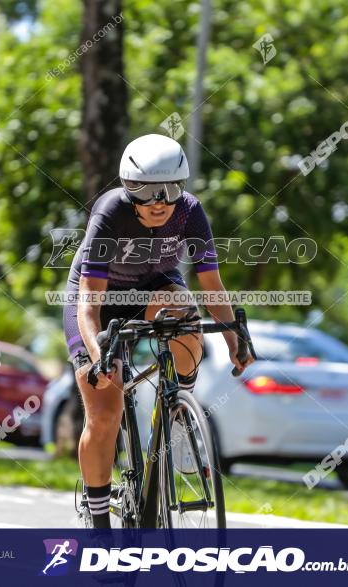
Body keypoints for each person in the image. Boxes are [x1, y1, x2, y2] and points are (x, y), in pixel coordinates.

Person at [62, 134, 254, 528]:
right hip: (101, 298)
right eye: (146, 190)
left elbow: (212, 287)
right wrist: (100, 359)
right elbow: (89, 305)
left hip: (154, 286)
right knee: (104, 412)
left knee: (183, 312)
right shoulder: (110, 213)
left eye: (170, 189)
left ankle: (175, 397)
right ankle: (101, 528)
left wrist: (234, 339)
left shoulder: (190, 213)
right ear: (127, 187)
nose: (159, 201)